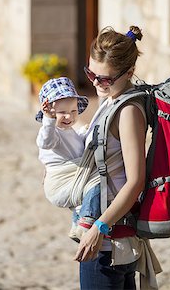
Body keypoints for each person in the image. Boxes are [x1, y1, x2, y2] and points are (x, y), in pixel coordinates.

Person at [73, 26, 162, 289]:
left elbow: (135, 182)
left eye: (105, 79)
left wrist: (97, 230)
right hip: (107, 239)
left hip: (108, 243)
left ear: (129, 73)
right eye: (91, 73)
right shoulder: (110, 99)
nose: (96, 83)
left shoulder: (128, 111)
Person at [35, 77, 102, 242]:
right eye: (61, 113)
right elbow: (46, 142)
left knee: (85, 189)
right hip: (61, 181)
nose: (68, 117)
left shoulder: (69, 131)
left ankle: (76, 223)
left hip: (72, 177)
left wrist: (86, 132)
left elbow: (77, 146)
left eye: (73, 111)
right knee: (98, 182)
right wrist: (48, 120)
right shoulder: (52, 133)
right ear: (49, 113)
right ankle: (86, 220)